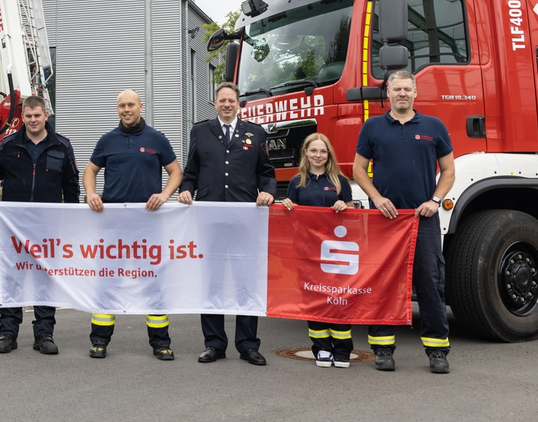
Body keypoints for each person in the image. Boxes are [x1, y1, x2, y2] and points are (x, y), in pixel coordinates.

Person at [353, 70, 455, 374]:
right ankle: (382, 348)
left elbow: (448, 171)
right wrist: (376, 199)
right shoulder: (372, 127)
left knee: (430, 282)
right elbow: (359, 170)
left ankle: (437, 351)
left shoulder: (434, 126)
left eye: (407, 89)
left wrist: (434, 201)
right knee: (383, 283)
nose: (402, 94)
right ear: (388, 93)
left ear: (415, 93)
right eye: (396, 89)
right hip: (384, 219)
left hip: (421, 219)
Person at [178, 81, 276, 366]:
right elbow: (190, 172)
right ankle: (214, 343)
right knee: (212, 281)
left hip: (245, 219)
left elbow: (266, 173)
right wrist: (186, 190)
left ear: (238, 103)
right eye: (222, 100)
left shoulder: (256, 133)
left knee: (246, 281)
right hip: (210, 220)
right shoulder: (200, 131)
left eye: (231, 100)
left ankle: (248, 345)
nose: (226, 104)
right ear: (216, 103)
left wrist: (268, 191)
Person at [83, 89, 182, 360]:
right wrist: (90, 193)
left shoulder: (157, 138)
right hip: (112, 224)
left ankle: (161, 343)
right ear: (117, 109)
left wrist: (164, 195)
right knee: (107, 282)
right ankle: (99, 340)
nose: (126, 110)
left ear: (141, 106)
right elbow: (90, 170)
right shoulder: (107, 140)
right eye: (121, 106)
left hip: (148, 224)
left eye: (130, 105)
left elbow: (176, 171)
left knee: (152, 283)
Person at [0, 95, 80, 356]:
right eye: (28, 116)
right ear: (22, 118)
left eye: (37, 115)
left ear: (46, 115)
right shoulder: (9, 144)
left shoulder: (62, 146)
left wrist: (72, 218)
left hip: (49, 227)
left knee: (45, 278)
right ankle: (7, 333)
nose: (33, 120)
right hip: (15, 227)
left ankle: (44, 334)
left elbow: (71, 185)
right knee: (13, 277)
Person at [282, 133, 354, 368]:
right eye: (313, 151)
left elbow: (353, 213)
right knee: (313, 298)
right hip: (307, 250)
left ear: (328, 154)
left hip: (335, 251)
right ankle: (322, 348)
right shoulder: (297, 182)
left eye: (323, 151)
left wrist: (345, 206)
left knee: (337, 298)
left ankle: (342, 350)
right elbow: (291, 218)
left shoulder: (340, 181)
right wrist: (287, 206)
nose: (318, 155)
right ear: (306, 152)